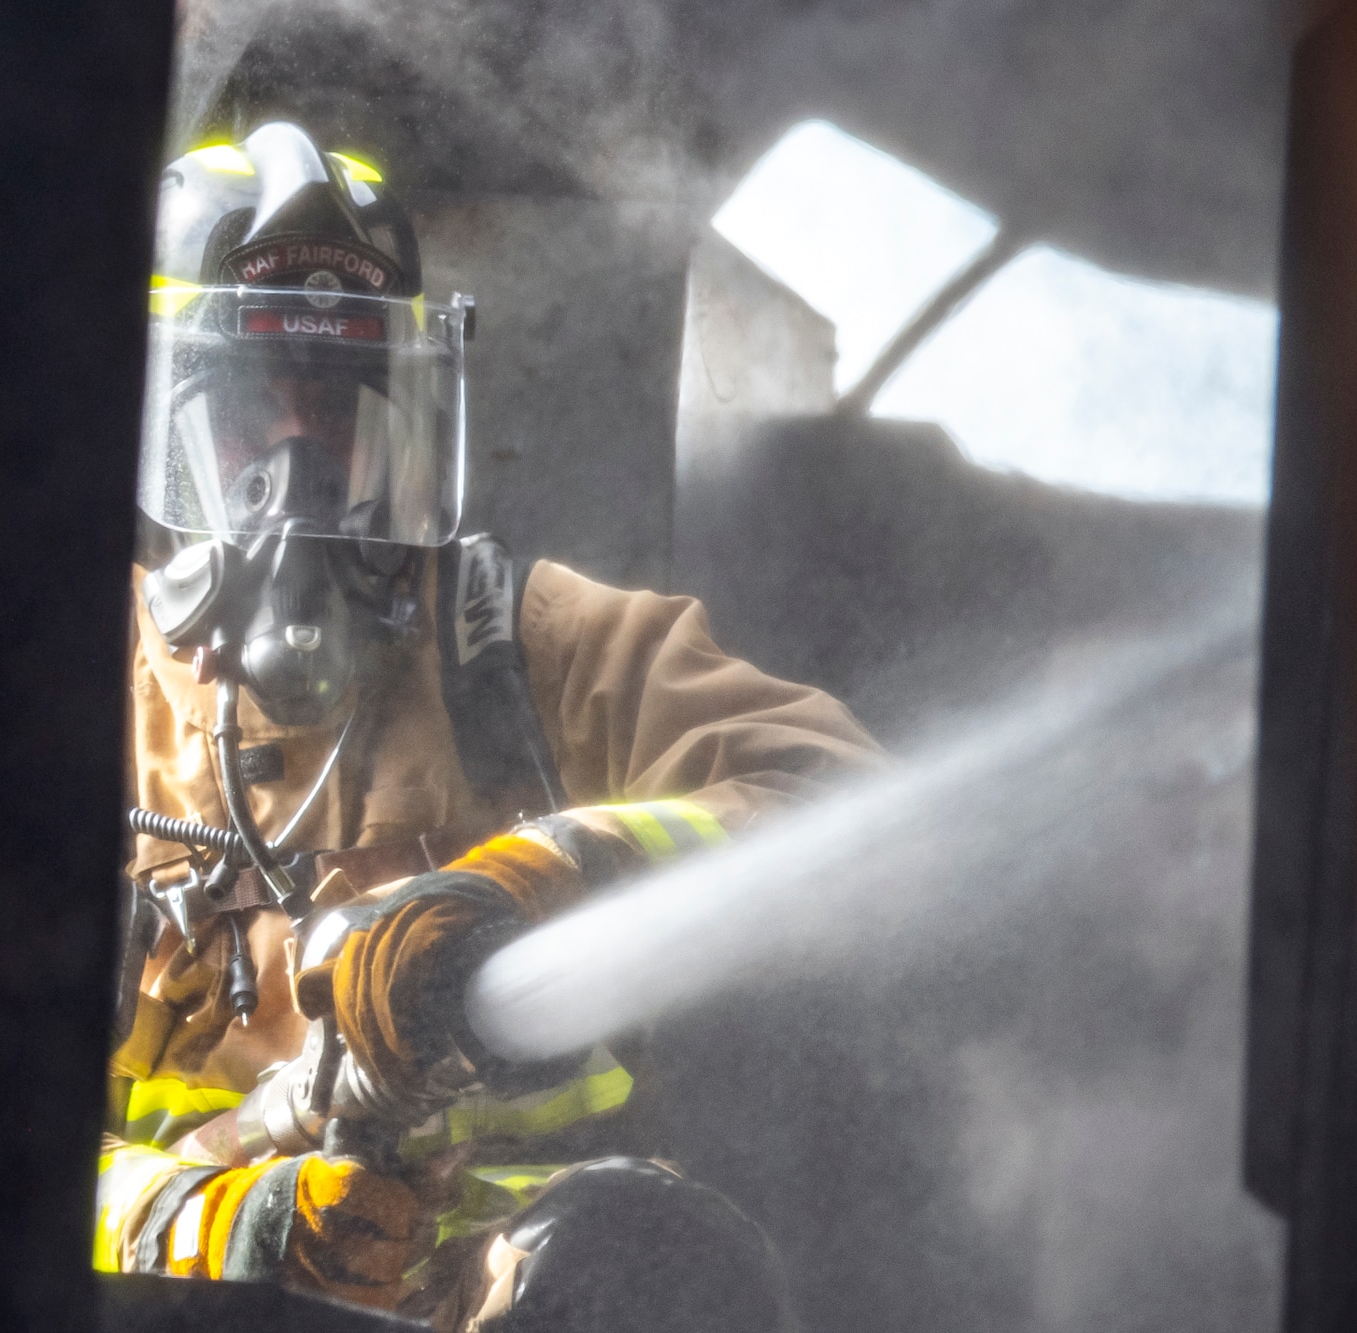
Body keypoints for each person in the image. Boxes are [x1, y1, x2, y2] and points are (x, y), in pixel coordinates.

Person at [95, 120, 879, 1330]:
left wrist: (537, 881)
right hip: (186, 1300)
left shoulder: (520, 642)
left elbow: (841, 805)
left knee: (646, 1263)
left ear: (411, 410)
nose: (305, 454)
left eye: (346, 399)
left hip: (528, 1288)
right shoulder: (89, 703)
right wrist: (224, 1228)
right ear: (166, 420)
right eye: (257, 403)